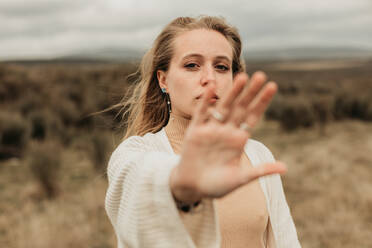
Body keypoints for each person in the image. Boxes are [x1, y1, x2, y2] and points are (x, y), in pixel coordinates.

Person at [105, 15, 301, 248]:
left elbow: (285, 241)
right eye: (191, 65)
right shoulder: (136, 153)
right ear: (163, 80)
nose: (210, 79)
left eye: (221, 67)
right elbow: (135, 182)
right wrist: (180, 187)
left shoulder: (258, 155)